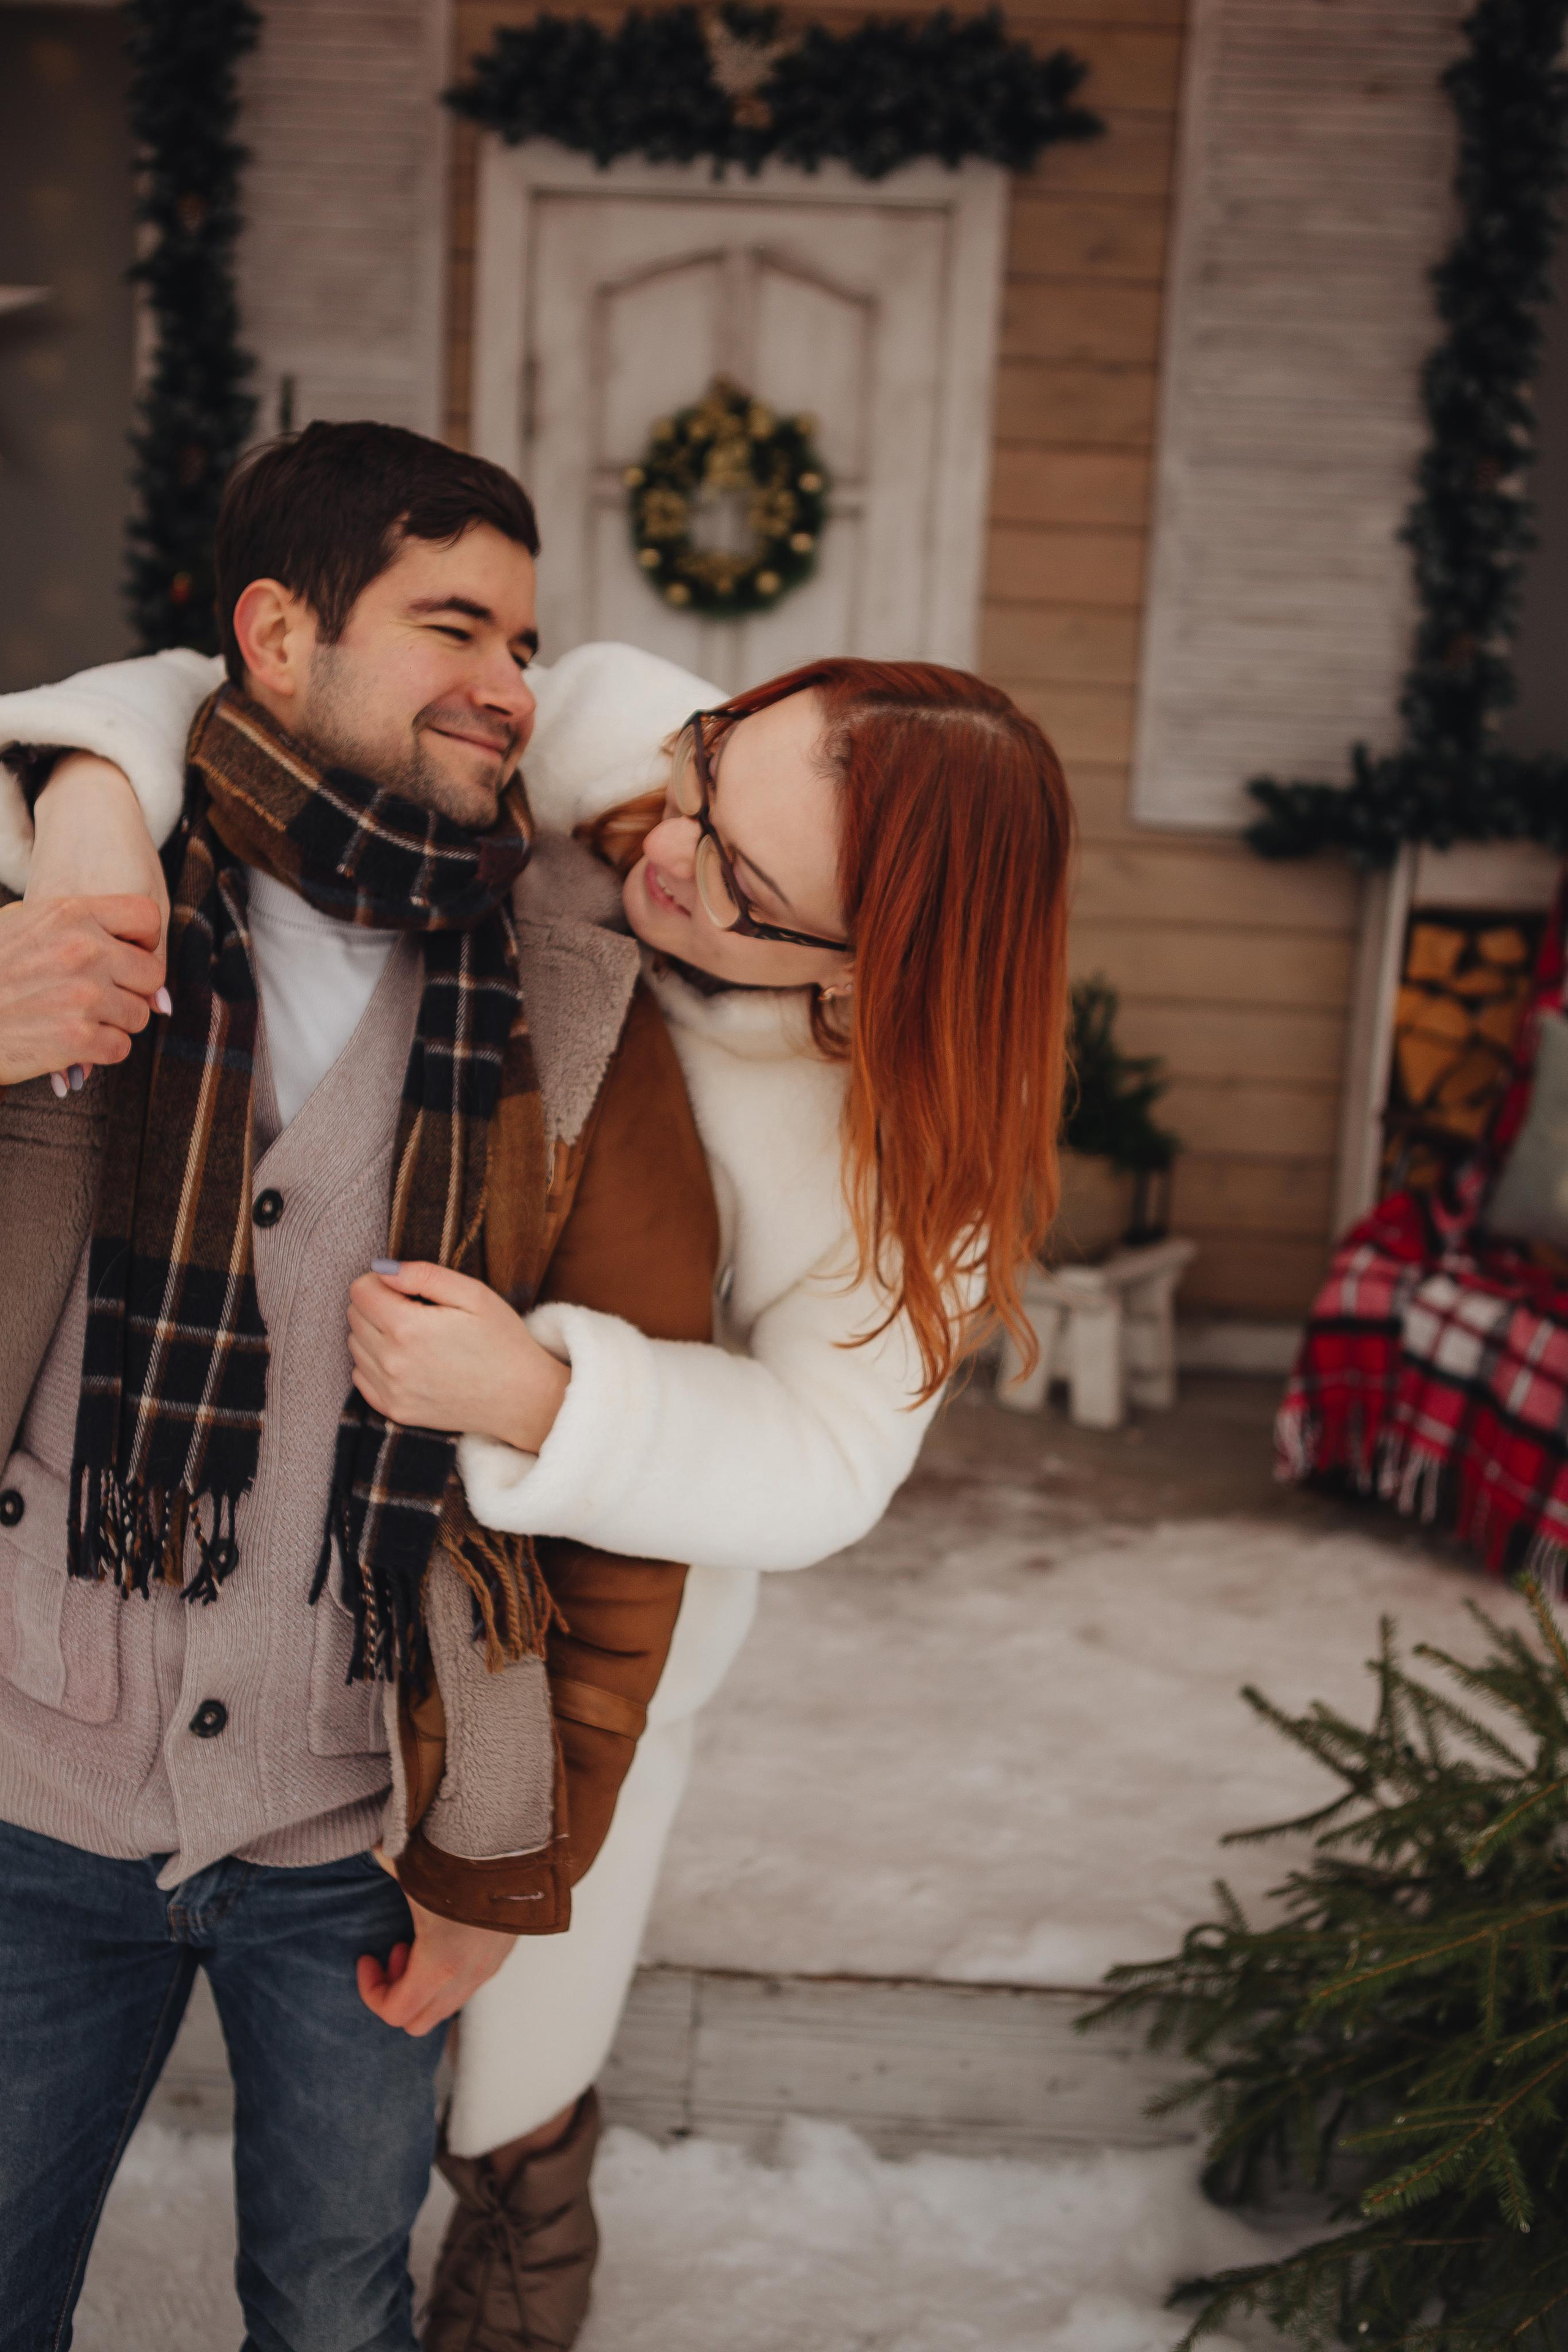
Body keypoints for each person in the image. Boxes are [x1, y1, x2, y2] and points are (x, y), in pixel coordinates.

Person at [2, 616, 1074, 2348]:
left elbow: (831, 1460)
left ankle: (522, 2227)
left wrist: (550, 1397)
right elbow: (248, 684)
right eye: (709, 776)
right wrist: (90, 793)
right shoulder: (620, 746)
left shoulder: (907, 1136)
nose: (672, 854)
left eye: (745, 886)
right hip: (301, 1515)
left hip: (578, 1577)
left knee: (516, 1998)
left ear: (869, 968)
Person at [0, 420, 721, 2352]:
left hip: (356, 1828)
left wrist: (509, 1860)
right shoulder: (56, 887)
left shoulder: (579, 1012)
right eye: (453, 626)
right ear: (277, 635)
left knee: (335, 2308)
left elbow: (630, 1506)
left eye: (527, 644)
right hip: (21, 1789)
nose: (510, 685)